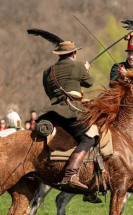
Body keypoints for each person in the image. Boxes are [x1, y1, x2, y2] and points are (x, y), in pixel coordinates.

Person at [40, 40, 97, 192]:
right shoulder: (78, 66)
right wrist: (85, 69)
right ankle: (71, 174)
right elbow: (89, 82)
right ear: (73, 53)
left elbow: (48, 92)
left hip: (51, 114)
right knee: (89, 137)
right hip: (71, 112)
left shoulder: (47, 72)